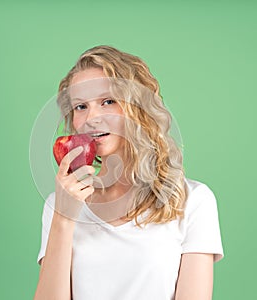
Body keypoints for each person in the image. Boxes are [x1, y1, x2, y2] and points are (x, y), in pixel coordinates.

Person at [34, 45, 224, 300]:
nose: (92, 118)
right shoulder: (59, 204)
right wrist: (64, 219)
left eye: (108, 101)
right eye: (81, 106)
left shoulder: (193, 201)